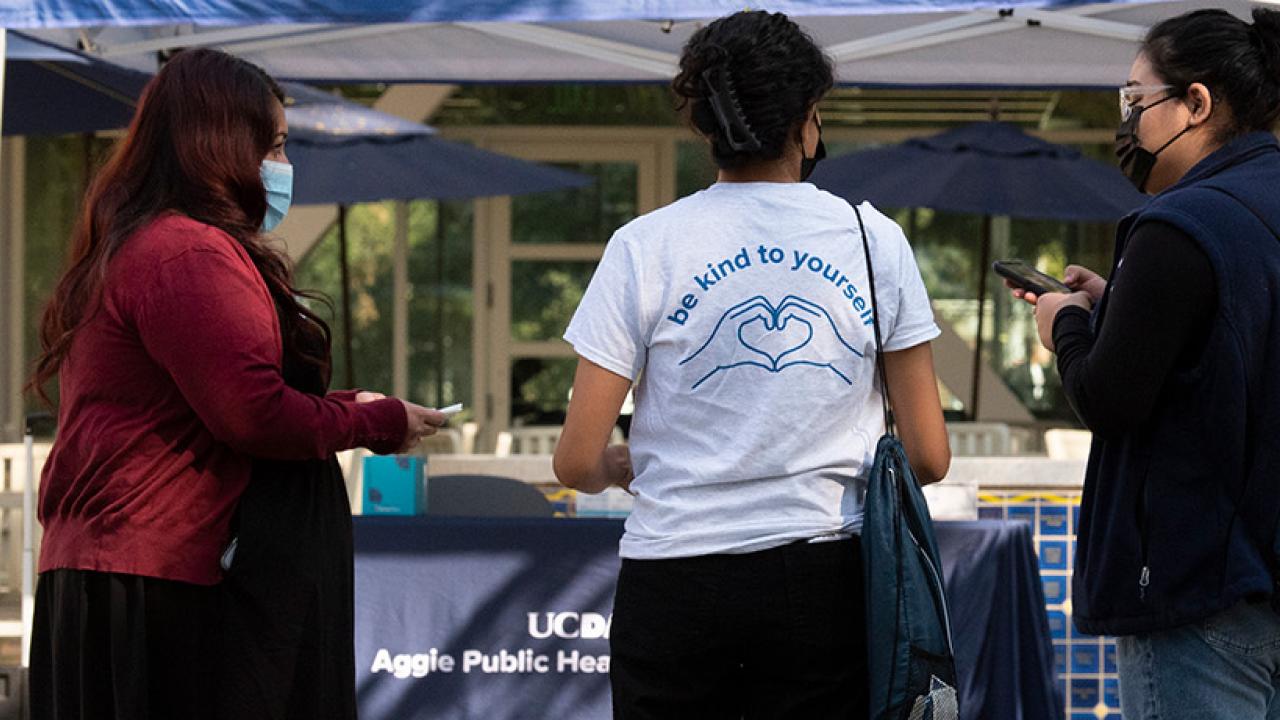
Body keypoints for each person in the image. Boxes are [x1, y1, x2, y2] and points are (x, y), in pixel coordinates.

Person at [552, 11, 950, 718]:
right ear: (808, 120)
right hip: (825, 579)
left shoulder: (645, 246)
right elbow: (928, 454)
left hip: (671, 577)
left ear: (706, 126)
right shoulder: (873, 240)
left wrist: (616, 465)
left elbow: (575, 458)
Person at [26, 48, 444, 720]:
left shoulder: (151, 244)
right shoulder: (187, 252)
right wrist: (375, 422)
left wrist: (346, 408)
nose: (283, 167)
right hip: (153, 574)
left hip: (132, 565)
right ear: (222, 145)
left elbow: (208, 397)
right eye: (273, 146)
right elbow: (251, 414)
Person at [1011, 9, 1280, 719]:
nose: (1127, 121)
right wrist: (1116, 311)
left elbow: (1109, 398)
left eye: (1136, 100)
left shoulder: (1181, 222)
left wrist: (1066, 325)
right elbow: (1231, 345)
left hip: (1197, 598)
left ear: (1196, 103)